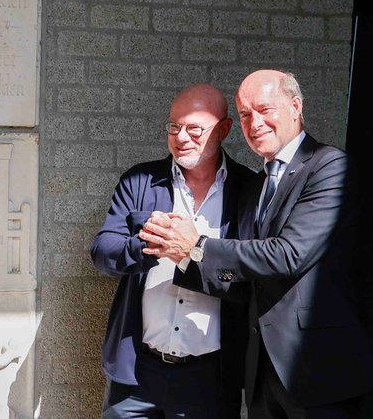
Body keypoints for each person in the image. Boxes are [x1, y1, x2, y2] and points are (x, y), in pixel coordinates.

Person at [146, 70, 373, 418]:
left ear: (295, 107)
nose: (254, 123)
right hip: (263, 375)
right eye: (245, 114)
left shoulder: (329, 167)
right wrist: (181, 257)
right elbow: (245, 279)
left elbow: (289, 255)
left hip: (319, 370)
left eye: (264, 109)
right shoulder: (255, 186)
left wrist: (198, 246)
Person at [91, 84, 254, 418]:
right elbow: (103, 252)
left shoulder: (249, 190)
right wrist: (150, 245)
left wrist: (194, 253)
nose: (181, 137)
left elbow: (252, 278)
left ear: (224, 129)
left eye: (194, 129)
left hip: (210, 378)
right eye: (174, 126)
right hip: (137, 370)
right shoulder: (140, 181)